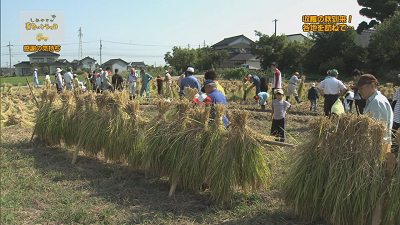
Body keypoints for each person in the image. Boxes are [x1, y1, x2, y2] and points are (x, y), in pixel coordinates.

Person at [352, 74, 393, 144]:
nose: (359, 91)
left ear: (372, 86)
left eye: (361, 88)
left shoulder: (377, 102)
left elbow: (378, 131)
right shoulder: (373, 100)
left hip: (378, 148)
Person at [391, 76, 400, 158]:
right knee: (394, 135)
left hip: (396, 115)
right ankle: (394, 153)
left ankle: (394, 152)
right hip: (397, 115)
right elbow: (394, 102)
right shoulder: (398, 89)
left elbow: (394, 102)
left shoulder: (399, 89)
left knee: (394, 134)